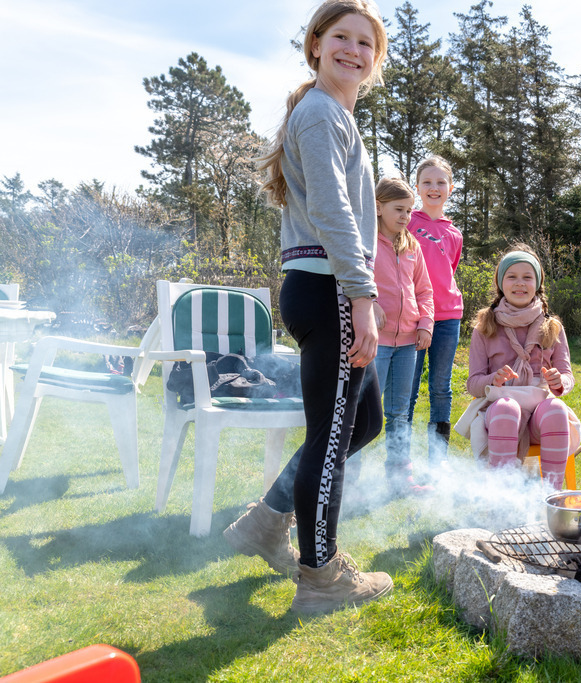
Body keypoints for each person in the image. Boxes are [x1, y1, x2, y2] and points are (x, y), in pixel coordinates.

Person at [222, 0, 393, 614]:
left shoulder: (330, 114)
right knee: (332, 433)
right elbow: (331, 210)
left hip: (324, 288)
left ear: (374, 60)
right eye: (341, 37)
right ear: (316, 44)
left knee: (363, 422)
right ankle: (320, 577)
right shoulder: (320, 112)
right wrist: (362, 295)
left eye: (365, 43)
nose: (353, 50)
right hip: (329, 290)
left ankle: (265, 522)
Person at [456, 246, 579, 489]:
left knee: (556, 409)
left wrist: (559, 381)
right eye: (512, 276)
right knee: (506, 408)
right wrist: (494, 379)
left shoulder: (552, 327)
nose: (520, 283)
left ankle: (551, 495)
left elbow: (567, 376)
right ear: (501, 283)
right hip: (500, 415)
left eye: (527, 277)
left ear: (538, 283)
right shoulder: (485, 327)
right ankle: (503, 498)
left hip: (540, 415)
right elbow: (473, 383)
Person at [366, 176, 434, 495]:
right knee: (365, 411)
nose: (406, 216)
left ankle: (399, 478)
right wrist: (370, 303)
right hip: (375, 344)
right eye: (399, 209)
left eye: (409, 210)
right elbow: (351, 282)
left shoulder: (412, 246)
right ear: (378, 207)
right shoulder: (365, 244)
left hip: (408, 344)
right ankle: (347, 477)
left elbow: (424, 290)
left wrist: (425, 323)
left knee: (399, 412)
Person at [406, 156, 463, 469]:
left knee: (441, 388)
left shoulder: (455, 234)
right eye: (427, 182)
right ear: (417, 188)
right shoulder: (407, 224)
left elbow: (448, 272)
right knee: (408, 388)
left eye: (441, 182)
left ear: (450, 189)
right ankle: (401, 458)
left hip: (448, 318)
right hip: (411, 317)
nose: (434, 187)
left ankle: (437, 461)